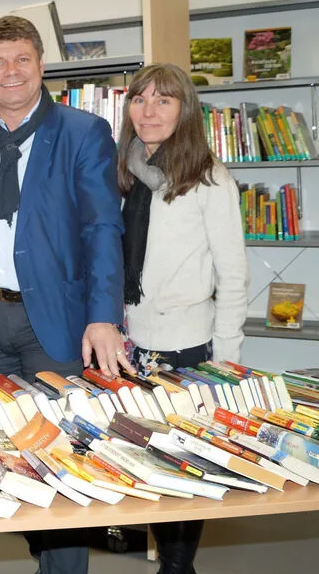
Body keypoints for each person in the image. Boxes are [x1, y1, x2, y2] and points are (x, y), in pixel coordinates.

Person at [0, 16, 126, 574]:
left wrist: (103, 318)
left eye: (22, 60)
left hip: (54, 321)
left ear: (41, 66)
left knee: (57, 461)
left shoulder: (83, 132)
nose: (12, 72)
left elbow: (102, 229)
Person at [118, 63, 248, 574]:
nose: (149, 111)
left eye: (164, 100)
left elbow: (233, 275)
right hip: (130, 345)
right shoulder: (123, 170)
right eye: (140, 99)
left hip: (189, 346)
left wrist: (228, 361)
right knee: (145, 464)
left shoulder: (210, 178)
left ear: (184, 110)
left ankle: (176, 568)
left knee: (184, 469)